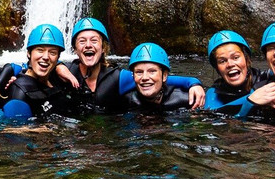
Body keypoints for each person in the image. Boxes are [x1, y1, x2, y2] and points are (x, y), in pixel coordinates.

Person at [67, 18, 204, 113]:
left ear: (103, 48)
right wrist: (58, 66)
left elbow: (165, 79)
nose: (88, 45)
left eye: (94, 40)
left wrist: (194, 83)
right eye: (82, 41)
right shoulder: (66, 73)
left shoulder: (118, 78)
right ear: (74, 49)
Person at [3, 24, 89, 119]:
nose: (46, 57)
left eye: (52, 52)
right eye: (40, 50)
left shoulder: (57, 78)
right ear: (29, 53)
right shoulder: (19, 92)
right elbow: (16, 126)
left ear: (58, 58)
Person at [202, 30, 270, 113]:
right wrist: (249, 101)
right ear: (217, 68)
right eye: (222, 61)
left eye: (236, 57)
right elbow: (211, 113)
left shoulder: (265, 79)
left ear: (246, 59)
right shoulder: (214, 93)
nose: (230, 64)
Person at [122, 42, 200, 113]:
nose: (144, 77)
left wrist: (194, 84)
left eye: (152, 71)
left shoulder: (185, 100)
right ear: (133, 76)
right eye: (139, 72)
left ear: (164, 76)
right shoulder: (126, 102)